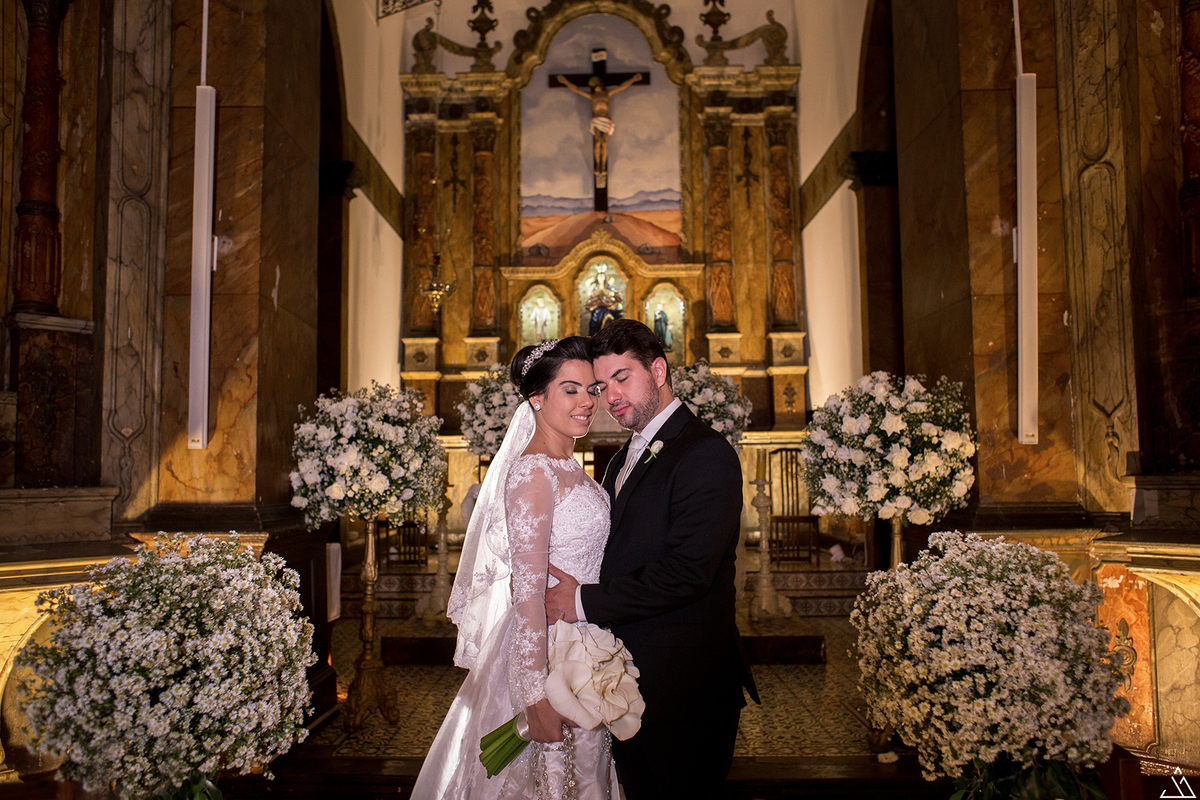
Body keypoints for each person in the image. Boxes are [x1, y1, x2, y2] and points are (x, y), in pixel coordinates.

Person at [545, 319, 758, 800]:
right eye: (602, 386)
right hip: (627, 684)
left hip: (686, 689)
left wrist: (579, 602)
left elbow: (687, 574)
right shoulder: (622, 458)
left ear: (658, 370)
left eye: (623, 377)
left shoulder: (705, 453)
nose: (611, 395)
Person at [412, 337, 616, 799]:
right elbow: (524, 590)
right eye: (571, 390)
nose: (587, 401)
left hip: (582, 643)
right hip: (544, 655)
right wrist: (534, 694)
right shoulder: (533, 471)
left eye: (591, 389)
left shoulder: (568, 465)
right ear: (536, 398)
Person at [556, 73, 641, 175]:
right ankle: (598, 165)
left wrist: (633, 79)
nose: (594, 83)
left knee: (604, 143)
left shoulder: (607, 94)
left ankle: (603, 166)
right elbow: (576, 89)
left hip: (606, 120)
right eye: (592, 82)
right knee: (597, 143)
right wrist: (565, 81)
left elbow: (621, 87)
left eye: (596, 81)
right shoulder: (592, 96)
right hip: (597, 120)